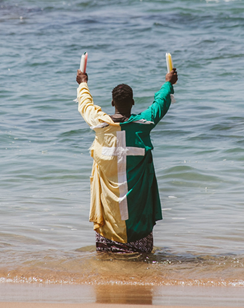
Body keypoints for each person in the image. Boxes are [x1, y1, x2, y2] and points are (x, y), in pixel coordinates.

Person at [76, 67, 178, 254]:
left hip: (109, 212)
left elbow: (85, 105)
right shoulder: (144, 124)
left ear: (112, 102)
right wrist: (168, 83)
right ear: (132, 102)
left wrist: (83, 83)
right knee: (142, 262)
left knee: (107, 262)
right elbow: (160, 104)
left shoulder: (100, 125)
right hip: (138, 210)